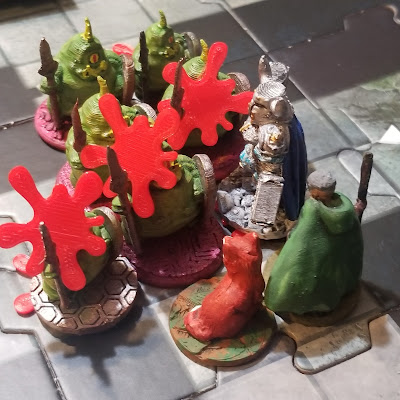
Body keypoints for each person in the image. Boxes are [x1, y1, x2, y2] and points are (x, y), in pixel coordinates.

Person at [264, 170, 363, 316]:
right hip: (337, 258)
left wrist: (292, 235)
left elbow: (303, 234)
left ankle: (305, 304)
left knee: (298, 277)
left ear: (314, 192)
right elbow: (351, 223)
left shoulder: (312, 207)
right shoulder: (345, 205)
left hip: (313, 256)